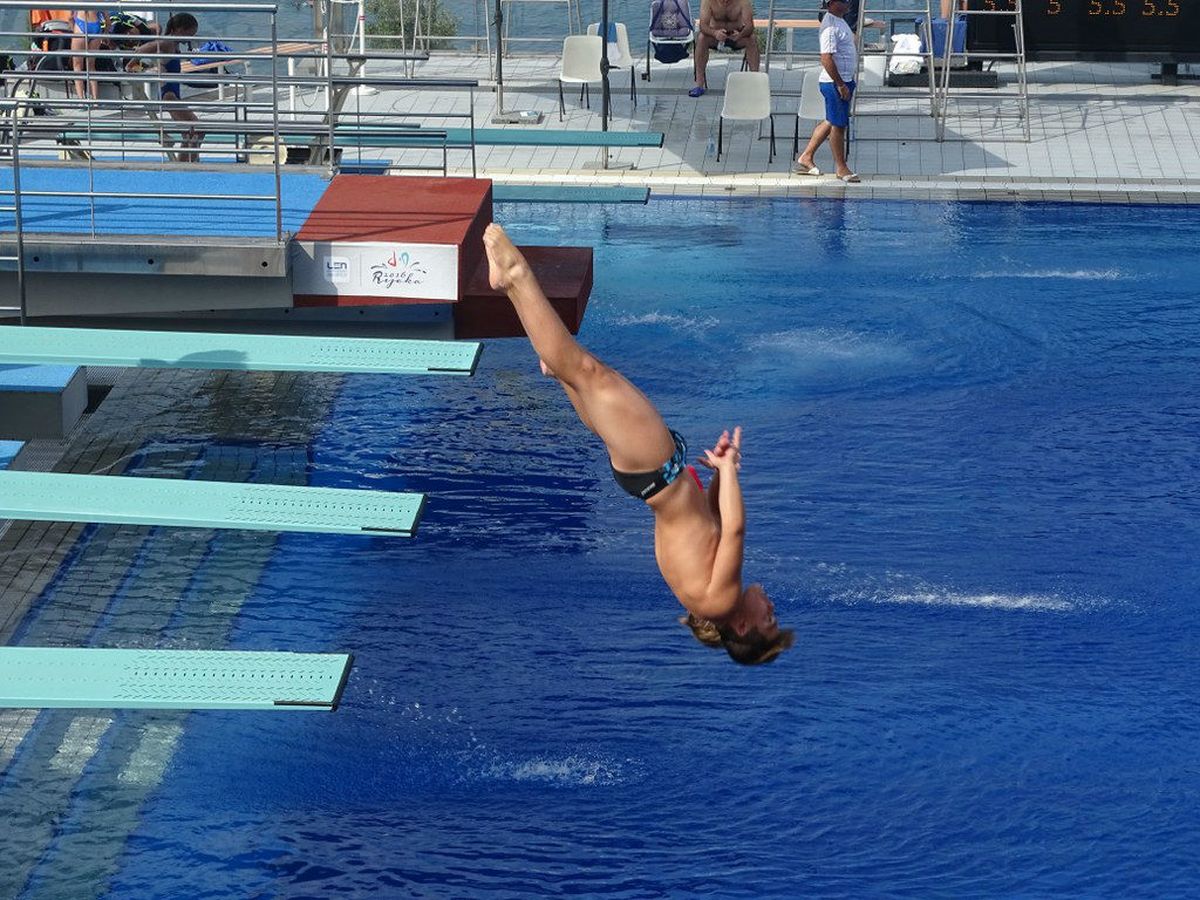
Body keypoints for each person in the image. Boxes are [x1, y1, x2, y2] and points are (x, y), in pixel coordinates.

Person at [482, 224, 794, 665]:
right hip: (649, 477)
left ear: (742, 627)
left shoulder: (722, 603)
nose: (771, 609)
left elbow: (737, 531)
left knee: (585, 369)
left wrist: (726, 475)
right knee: (572, 372)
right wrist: (723, 476)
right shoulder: (711, 597)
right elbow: (711, 523)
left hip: (656, 465)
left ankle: (515, 275)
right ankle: (510, 290)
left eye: (769, 620)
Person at [793, 0, 859, 183]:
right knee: (839, 126)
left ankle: (806, 157)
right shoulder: (829, 27)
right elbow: (826, 59)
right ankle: (841, 168)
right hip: (835, 83)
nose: (848, 3)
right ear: (831, 4)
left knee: (831, 121)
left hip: (844, 80)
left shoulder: (840, 20)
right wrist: (840, 84)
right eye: (843, 0)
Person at [128, 13, 201, 162]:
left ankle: (185, 165)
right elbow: (143, 49)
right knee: (197, 129)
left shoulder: (174, 44)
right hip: (169, 96)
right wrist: (131, 64)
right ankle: (187, 166)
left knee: (188, 134)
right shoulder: (167, 42)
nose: (190, 38)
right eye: (189, 34)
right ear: (179, 29)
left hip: (173, 94)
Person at [689, 0, 759, 98]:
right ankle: (699, 84)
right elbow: (703, 26)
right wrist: (715, 33)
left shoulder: (743, 2)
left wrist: (739, 35)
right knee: (702, 38)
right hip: (715, 36)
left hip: (736, 35)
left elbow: (750, 26)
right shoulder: (707, 1)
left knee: (752, 39)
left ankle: (755, 81)